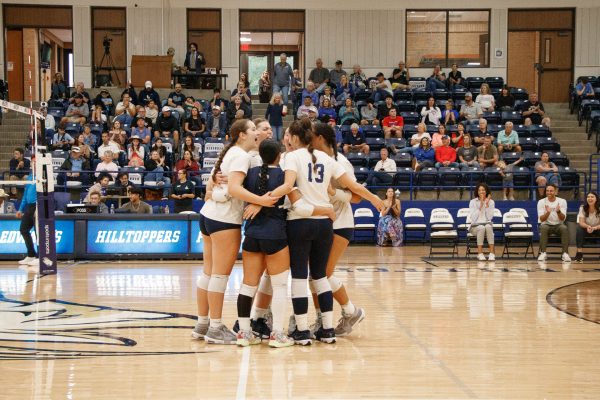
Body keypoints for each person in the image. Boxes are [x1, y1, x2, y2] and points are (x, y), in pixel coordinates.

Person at [269, 118, 384, 345]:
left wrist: (262, 198)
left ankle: (307, 326)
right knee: (319, 275)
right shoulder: (325, 159)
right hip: (326, 221)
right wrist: (373, 199)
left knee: (306, 276)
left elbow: (355, 193)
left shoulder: (306, 158)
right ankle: (327, 327)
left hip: (319, 219)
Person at [195, 119, 278, 345]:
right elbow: (232, 188)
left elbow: (212, 184)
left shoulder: (232, 152)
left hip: (207, 215)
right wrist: (261, 200)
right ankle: (215, 327)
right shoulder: (241, 156)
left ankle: (202, 323)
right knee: (220, 276)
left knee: (208, 273)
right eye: (253, 129)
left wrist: (214, 185)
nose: (257, 133)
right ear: (242, 135)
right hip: (224, 220)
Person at [234, 139, 299, 348]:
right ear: (279, 156)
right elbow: (296, 201)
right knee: (279, 286)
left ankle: (244, 333)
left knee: (248, 285)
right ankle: (277, 334)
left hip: (252, 233)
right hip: (275, 234)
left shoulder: (250, 173)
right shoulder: (283, 176)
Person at [308, 123, 369, 336]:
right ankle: (320, 318)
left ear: (322, 138)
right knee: (313, 276)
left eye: (312, 137)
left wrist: (334, 193)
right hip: (320, 222)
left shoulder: (341, 163)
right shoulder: (313, 161)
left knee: (323, 273)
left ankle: (351, 311)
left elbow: (358, 197)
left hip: (340, 223)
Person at [537, 183, 570, 262]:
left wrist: (558, 211)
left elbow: (563, 218)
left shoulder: (562, 201)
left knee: (564, 228)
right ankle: (543, 253)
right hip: (546, 224)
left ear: (555, 191)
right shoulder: (541, 202)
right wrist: (547, 213)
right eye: (547, 191)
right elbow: (541, 219)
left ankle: (565, 253)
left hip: (559, 224)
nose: (549, 192)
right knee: (543, 228)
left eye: (551, 191)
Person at [16, 166, 38, 267]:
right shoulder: (30, 176)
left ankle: (40, 257)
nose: (33, 164)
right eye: (32, 162)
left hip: (37, 206)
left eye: (35, 162)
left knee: (38, 232)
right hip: (29, 207)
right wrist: (20, 209)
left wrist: (38, 205)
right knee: (23, 229)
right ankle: (31, 254)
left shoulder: (43, 176)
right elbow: (25, 194)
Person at [468, 183, 496, 261]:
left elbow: (490, 217)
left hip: (486, 225)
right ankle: (480, 253)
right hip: (475, 227)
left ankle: (491, 253)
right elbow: (473, 218)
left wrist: (486, 204)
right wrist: (480, 206)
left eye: (483, 190)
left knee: (488, 226)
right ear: (477, 192)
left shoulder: (491, 202)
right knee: (481, 227)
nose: (481, 192)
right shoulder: (472, 202)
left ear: (486, 191)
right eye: (479, 190)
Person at [574, 192, 600, 262]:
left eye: (592, 197)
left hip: (597, 228)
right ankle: (579, 253)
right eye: (588, 197)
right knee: (579, 228)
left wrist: (595, 227)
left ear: (596, 199)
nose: (590, 198)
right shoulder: (582, 208)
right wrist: (588, 226)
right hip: (586, 228)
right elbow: (581, 222)